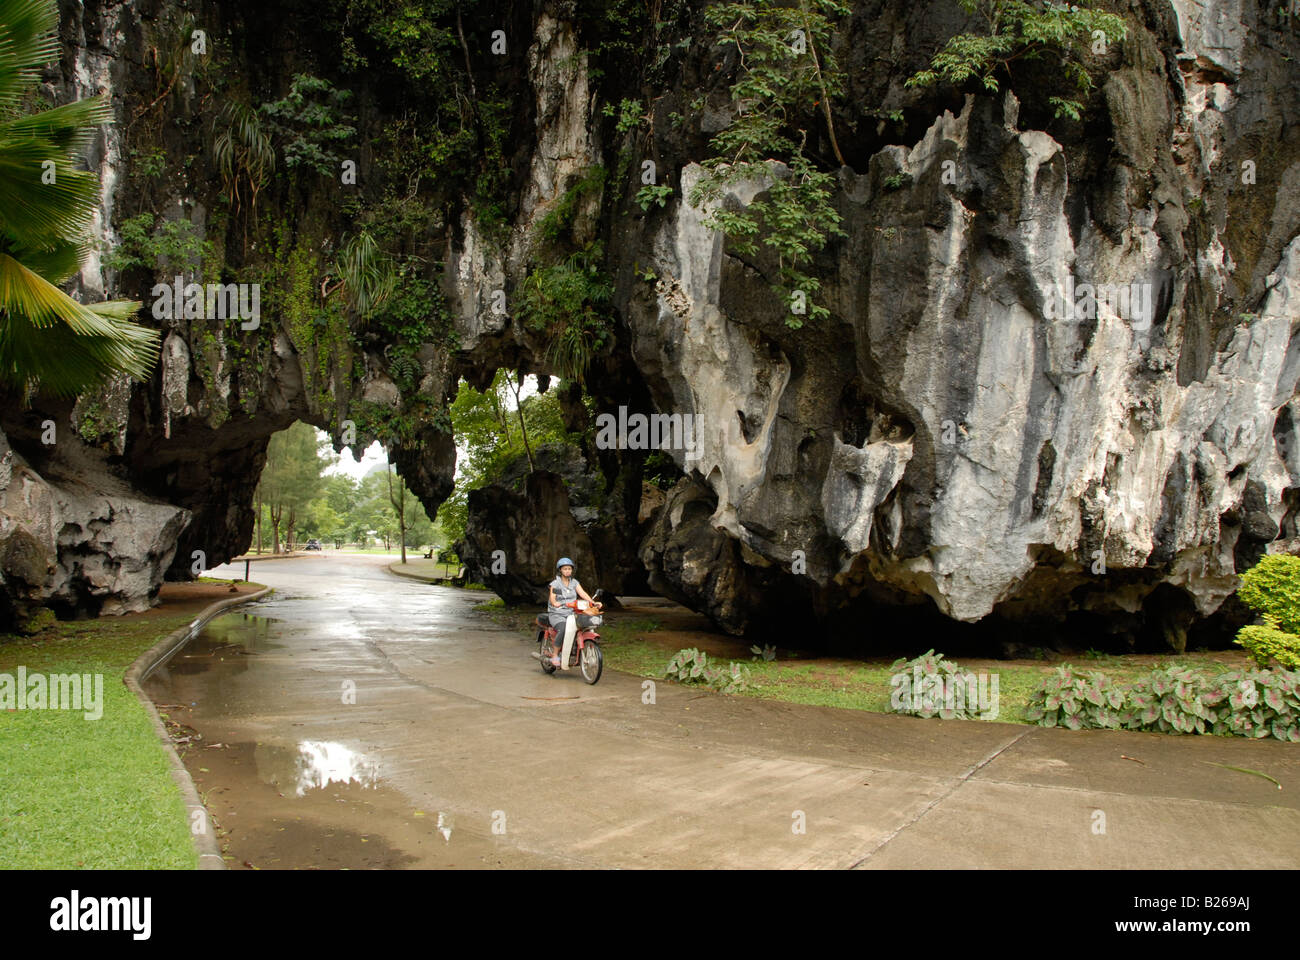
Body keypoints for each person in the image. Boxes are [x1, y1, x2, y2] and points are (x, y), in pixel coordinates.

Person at [547, 557, 600, 669]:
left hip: (572, 613)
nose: (567, 571)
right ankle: (555, 655)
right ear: (560, 570)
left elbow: (583, 594)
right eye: (565, 569)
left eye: (569, 569)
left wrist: (593, 602)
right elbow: (553, 597)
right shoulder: (556, 584)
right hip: (557, 613)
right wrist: (555, 603)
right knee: (564, 628)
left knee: (583, 626)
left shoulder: (574, 583)